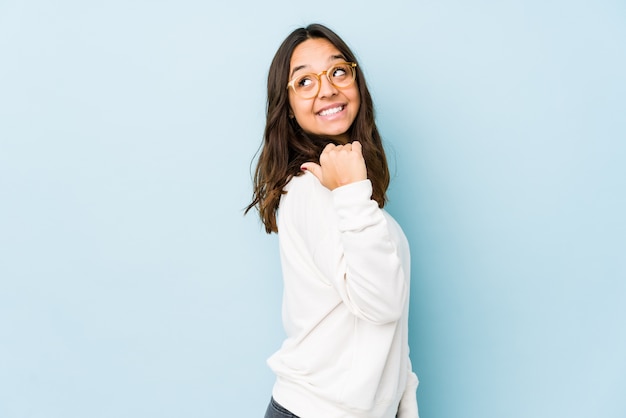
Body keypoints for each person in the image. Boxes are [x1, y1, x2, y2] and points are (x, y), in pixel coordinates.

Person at [246, 23, 419, 418]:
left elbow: (390, 333)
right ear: (286, 106)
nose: (327, 88)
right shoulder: (310, 189)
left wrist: (402, 404)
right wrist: (351, 193)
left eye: (339, 71)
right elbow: (383, 304)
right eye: (304, 81)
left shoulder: (342, 187)